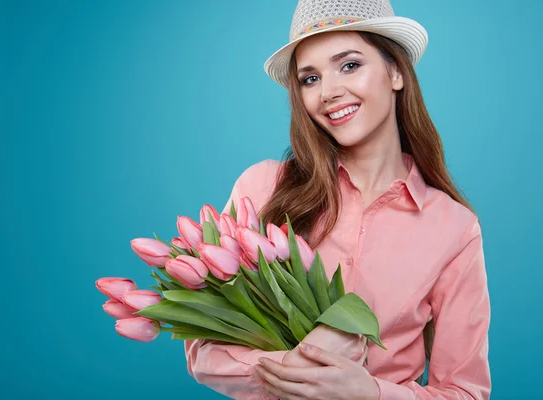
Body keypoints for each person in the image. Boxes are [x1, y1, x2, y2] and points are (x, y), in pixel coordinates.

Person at [184, 0, 491, 398]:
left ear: (395, 71)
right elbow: (202, 349)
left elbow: (465, 392)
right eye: (310, 79)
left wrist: (370, 393)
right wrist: (298, 365)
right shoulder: (262, 188)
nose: (328, 92)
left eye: (349, 65)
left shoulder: (453, 227)